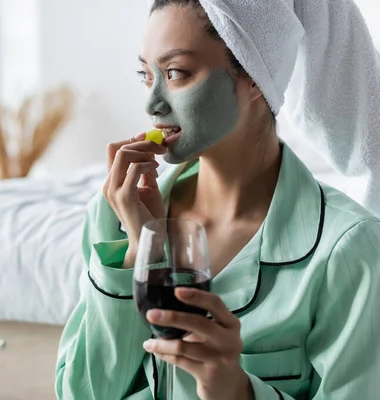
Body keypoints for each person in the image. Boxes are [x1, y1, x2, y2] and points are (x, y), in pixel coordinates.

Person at [55, 1, 380, 399]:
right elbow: (84, 393)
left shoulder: (348, 250)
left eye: (176, 73)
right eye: (145, 75)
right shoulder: (113, 218)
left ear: (256, 77)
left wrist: (238, 391)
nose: (151, 103)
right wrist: (141, 250)